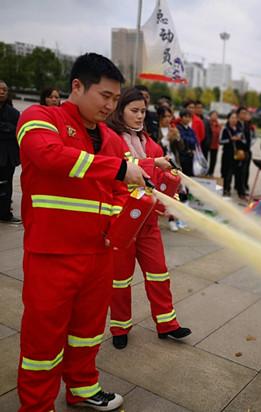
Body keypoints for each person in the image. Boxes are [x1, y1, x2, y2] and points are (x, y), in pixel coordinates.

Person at [16, 53, 145, 412]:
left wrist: (126, 212)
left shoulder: (110, 138)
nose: (111, 105)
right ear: (77, 86)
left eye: (116, 99)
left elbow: (122, 188)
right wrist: (120, 171)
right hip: (51, 254)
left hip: (99, 253)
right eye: (105, 96)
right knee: (43, 339)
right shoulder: (40, 118)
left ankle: (83, 388)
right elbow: (48, 156)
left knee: (87, 331)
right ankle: (37, 405)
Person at [106, 88, 191, 350]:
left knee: (159, 273)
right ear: (120, 111)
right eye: (134, 110)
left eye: (143, 111)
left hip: (148, 221)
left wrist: (171, 180)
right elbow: (119, 169)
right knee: (120, 279)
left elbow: (158, 180)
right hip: (123, 219)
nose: (140, 116)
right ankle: (120, 327)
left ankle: (167, 323)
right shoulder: (110, 139)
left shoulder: (150, 142)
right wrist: (155, 163)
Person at [0, 80, 21, 223]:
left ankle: (5, 213)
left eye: (4, 90)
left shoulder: (14, 113)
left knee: (6, 185)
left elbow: (18, 132)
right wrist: (8, 129)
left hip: (8, 156)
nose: (2, 92)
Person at [220, 111, 246, 198]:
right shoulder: (225, 129)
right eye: (232, 118)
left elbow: (245, 141)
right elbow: (220, 141)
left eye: (235, 118)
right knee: (227, 173)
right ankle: (226, 190)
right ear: (228, 119)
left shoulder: (240, 129)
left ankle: (241, 192)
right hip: (228, 154)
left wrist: (240, 139)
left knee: (239, 173)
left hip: (238, 154)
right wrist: (230, 139)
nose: (234, 120)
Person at [237, 107, 252, 193]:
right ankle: (239, 189)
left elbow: (249, 138)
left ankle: (242, 188)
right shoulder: (236, 123)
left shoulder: (247, 125)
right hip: (238, 150)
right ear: (238, 114)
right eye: (242, 113)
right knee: (238, 171)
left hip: (246, 150)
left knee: (245, 171)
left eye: (245, 113)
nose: (244, 115)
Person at [207, 110, 221, 176]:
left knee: (213, 160)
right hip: (208, 144)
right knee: (206, 159)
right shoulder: (207, 123)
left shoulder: (218, 124)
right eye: (213, 115)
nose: (215, 116)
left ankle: (211, 172)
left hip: (215, 145)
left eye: (216, 115)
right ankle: (205, 171)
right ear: (210, 115)